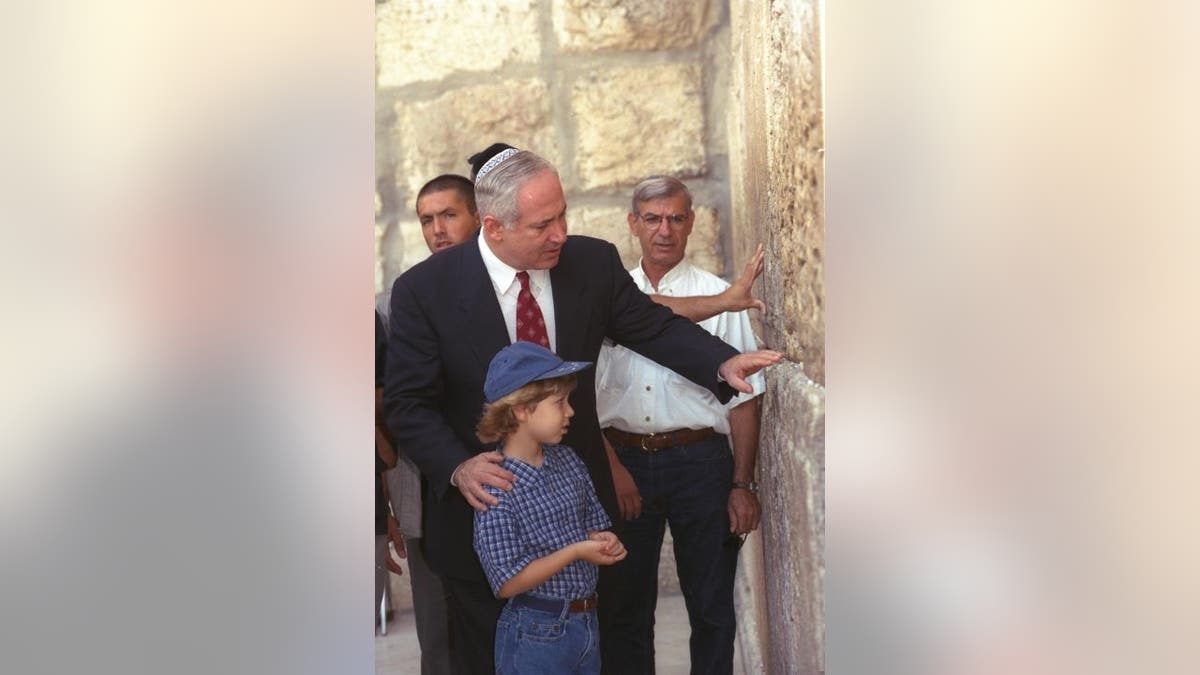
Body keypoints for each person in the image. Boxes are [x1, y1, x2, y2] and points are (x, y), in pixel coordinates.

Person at [383, 146, 782, 674]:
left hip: (580, 506)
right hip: (481, 517)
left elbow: (650, 326)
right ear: (496, 227)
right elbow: (408, 404)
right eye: (543, 224)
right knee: (485, 656)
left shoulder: (591, 262)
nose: (560, 234)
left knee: (599, 644)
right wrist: (457, 466)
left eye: (563, 214)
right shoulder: (423, 290)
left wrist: (721, 365)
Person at [598, 177, 764, 675]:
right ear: (633, 224)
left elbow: (745, 401)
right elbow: (585, 394)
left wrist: (741, 483)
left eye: (675, 217)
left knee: (711, 606)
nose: (664, 230)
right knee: (624, 608)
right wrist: (612, 471)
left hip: (701, 465)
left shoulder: (719, 296)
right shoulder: (607, 298)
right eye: (652, 218)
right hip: (624, 463)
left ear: (692, 221)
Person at [473, 342, 627, 674]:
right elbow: (507, 581)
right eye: (559, 402)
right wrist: (576, 551)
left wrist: (602, 541)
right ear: (521, 409)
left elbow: (591, 527)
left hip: (585, 624)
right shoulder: (495, 485)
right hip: (535, 633)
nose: (570, 411)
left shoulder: (568, 461)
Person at [416, 174, 481, 253]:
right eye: (427, 221)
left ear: (478, 218)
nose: (437, 230)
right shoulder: (424, 266)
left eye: (449, 216)